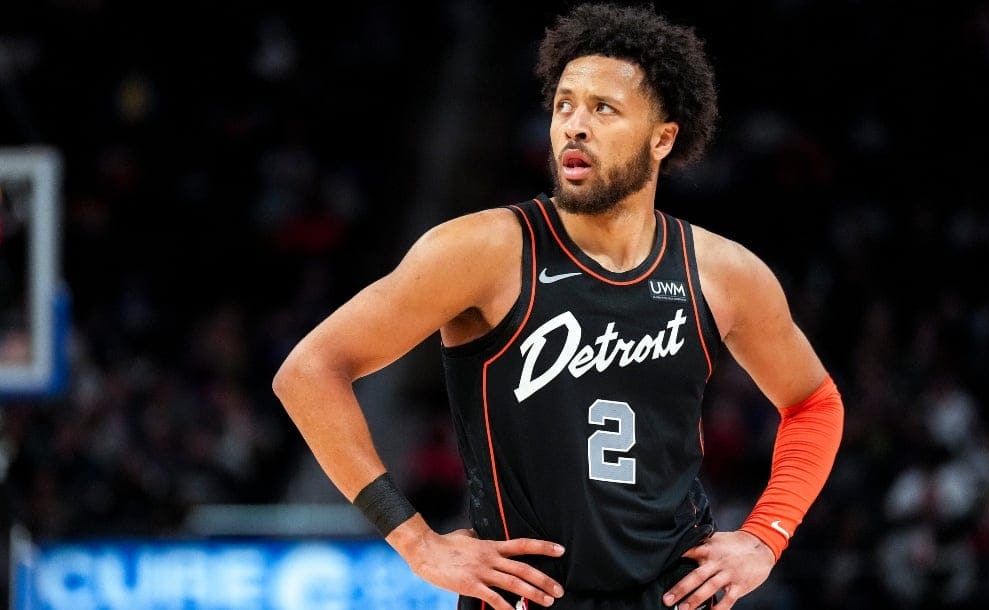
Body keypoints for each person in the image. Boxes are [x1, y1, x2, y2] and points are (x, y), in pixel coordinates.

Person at [272, 3, 844, 609]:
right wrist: (415, 541)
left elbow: (813, 403)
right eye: (565, 103)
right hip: (527, 596)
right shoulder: (485, 251)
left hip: (673, 595)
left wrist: (765, 536)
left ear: (663, 138)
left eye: (604, 109)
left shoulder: (724, 272)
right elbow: (308, 372)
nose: (574, 125)